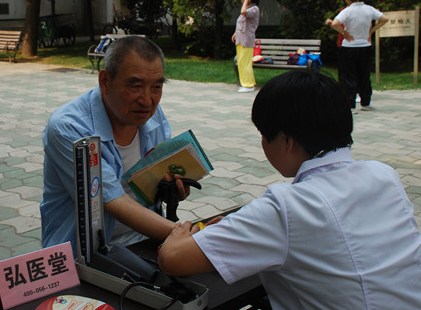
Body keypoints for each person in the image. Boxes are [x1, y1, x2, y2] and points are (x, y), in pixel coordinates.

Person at [158, 70, 421, 310]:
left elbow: (173, 259)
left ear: (287, 141)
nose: (262, 143)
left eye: (263, 134)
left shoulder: (288, 206)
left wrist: (184, 233)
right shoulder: (383, 174)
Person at [40, 36, 189, 253]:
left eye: (156, 87)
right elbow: (113, 202)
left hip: (145, 240)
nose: (147, 100)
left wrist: (171, 190)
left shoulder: (153, 118)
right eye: (136, 86)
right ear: (104, 82)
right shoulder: (67, 127)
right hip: (84, 255)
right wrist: (189, 235)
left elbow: (153, 186)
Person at [328, 0, 388, 111]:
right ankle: (366, 102)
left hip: (349, 47)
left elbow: (334, 23)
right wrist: (371, 31)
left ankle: (350, 104)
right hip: (365, 46)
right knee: (364, 74)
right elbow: (384, 19)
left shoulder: (348, 10)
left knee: (348, 76)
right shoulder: (369, 9)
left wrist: (344, 33)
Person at [232, 0, 260, 93]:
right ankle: (246, 83)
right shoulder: (248, 8)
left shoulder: (254, 9)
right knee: (241, 62)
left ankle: (249, 85)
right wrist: (236, 33)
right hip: (240, 39)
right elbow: (242, 22)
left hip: (247, 40)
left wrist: (247, 1)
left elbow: (243, 12)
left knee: (245, 62)